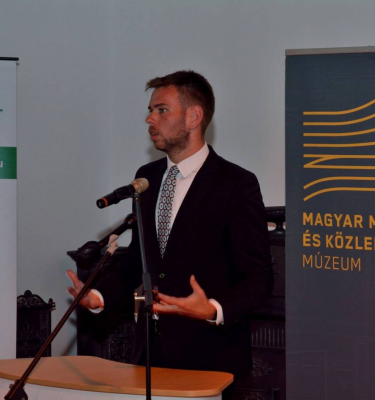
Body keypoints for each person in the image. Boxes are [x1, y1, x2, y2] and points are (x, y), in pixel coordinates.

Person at [67, 70, 274, 399]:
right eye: (150, 110)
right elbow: (138, 264)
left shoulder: (236, 184)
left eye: (162, 110)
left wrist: (213, 309)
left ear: (194, 117)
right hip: (150, 355)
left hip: (211, 359)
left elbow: (259, 277)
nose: (150, 119)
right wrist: (99, 297)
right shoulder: (146, 179)